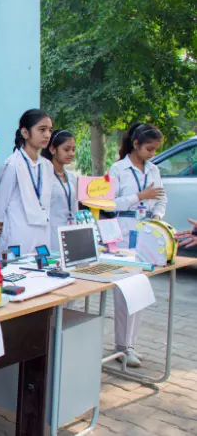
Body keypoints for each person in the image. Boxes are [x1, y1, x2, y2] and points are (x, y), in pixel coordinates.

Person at [108, 122, 166, 367]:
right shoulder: (118, 168)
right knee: (124, 293)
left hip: (147, 233)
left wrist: (157, 216)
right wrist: (139, 198)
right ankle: (121, 345)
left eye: (154, 150)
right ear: (136, 144)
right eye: (149, 149)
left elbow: (162, 199)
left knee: (140, 291)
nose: (152, 154)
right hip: (123, 231)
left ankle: (130, 343)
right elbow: (110, 203)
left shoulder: (153, 170)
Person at [0, 109, 54, 255]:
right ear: (25, 133)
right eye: (42, 130)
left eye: (49, 130)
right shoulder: (13, 164)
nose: (47, 134)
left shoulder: (47, 165)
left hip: (42, 236)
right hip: (17, 236)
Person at [41, 130, 77, 251]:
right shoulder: (44, 176)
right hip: (51, 233)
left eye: (73, 149)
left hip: (70, 231)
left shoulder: (72, 177)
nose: (71, 153)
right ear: (52, 149)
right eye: (66, 150)